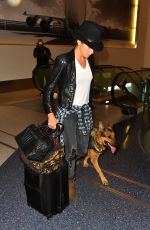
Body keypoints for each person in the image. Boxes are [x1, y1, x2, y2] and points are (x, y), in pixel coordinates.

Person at [43, 20, 103, 201]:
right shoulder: (64, 61)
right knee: (72, 148)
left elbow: (88, 86)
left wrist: (90, 105)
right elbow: (48, 89)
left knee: (83, 147)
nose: (92, 51)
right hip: (68, 111)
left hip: (84, 110)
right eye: (90, 47)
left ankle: (66, 161)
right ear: (79, 42)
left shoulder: (90, 59)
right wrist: (50, 113)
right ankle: (70, 181)